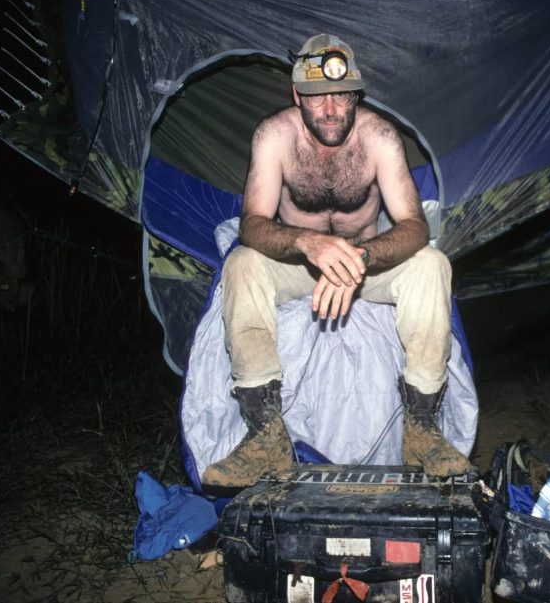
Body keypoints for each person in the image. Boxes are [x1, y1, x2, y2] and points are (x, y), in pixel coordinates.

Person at [201, 34, 470, 489]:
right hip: (297, 264)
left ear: (356, 94)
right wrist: (309, 243)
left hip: (366, 266)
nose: (330, 109)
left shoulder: (379, 137)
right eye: (317, 96)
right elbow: (253, 223)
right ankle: (265, 435)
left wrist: (360, 258)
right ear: (296, 96)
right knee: (242, 264)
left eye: (342, 95)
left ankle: (422, 429)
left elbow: (413, 226)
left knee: (431, 264)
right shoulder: (274, 136)